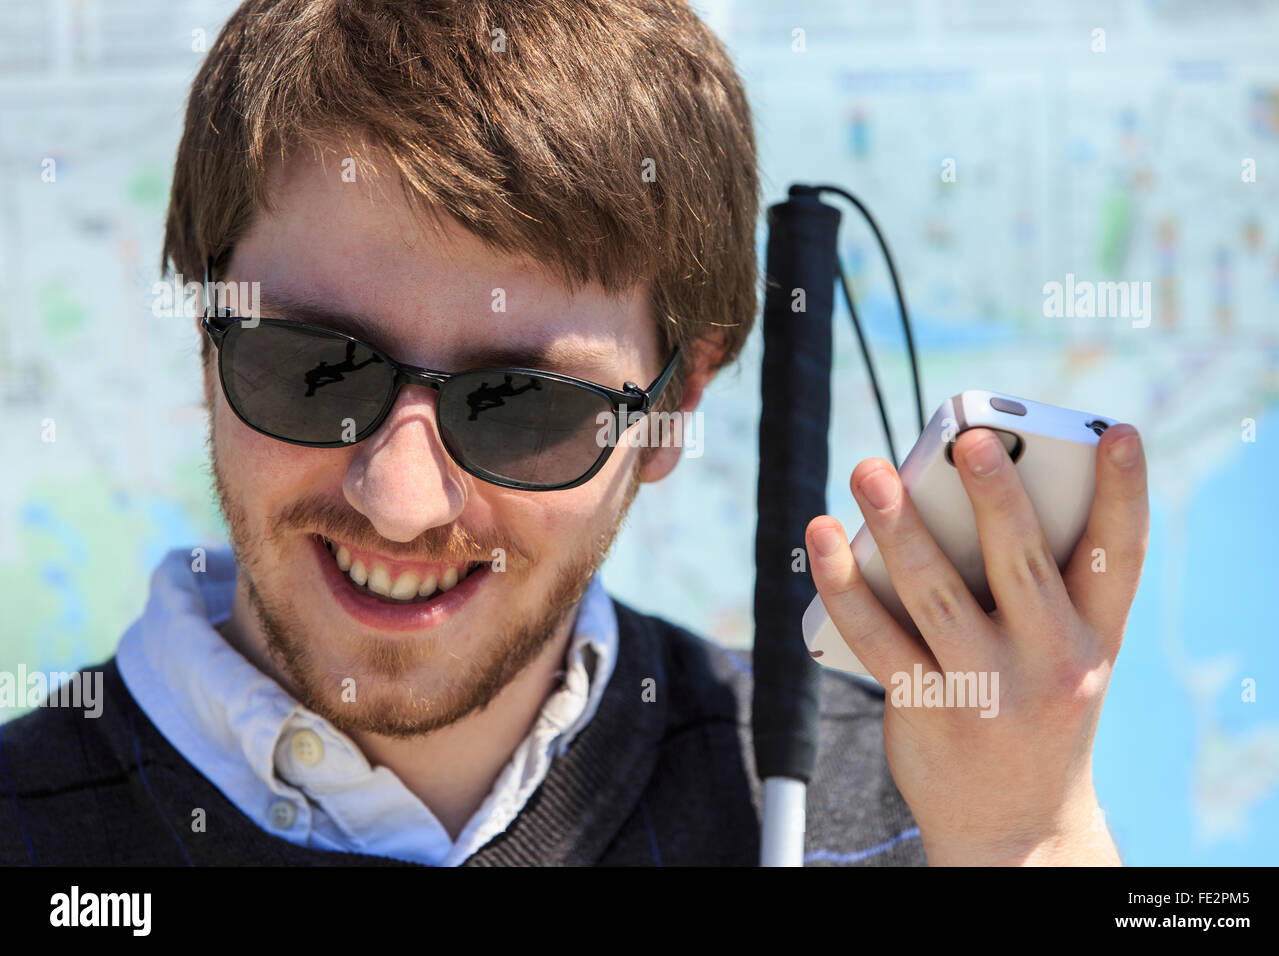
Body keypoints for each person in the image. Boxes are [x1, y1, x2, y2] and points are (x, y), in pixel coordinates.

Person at [0, 0, 1147, 867]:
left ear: (675, 405)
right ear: (204, 333)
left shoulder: (911, 797)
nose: (401, 495)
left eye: (525, 406)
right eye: (312, 369)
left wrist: (1031, 837)